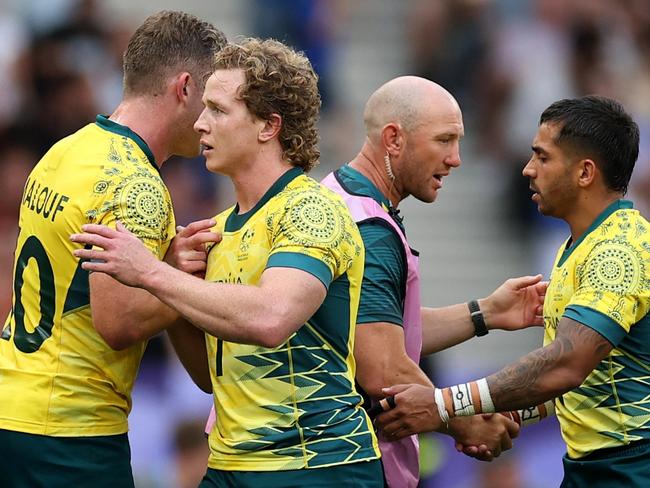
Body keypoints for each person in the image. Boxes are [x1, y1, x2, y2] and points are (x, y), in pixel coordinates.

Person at [70, 38, 384, 487]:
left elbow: (272, 318)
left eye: (218, 110)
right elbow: (209, 376)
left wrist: (151, 272)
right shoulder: (215, 230)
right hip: (229, 466)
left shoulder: (312, 210)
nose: (199, 123)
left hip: (317, 466)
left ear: (268, 126)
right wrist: (174, 284)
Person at [0, 11, 226, 488]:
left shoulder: (65, 150)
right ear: (184, 88)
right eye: (209, 101)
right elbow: (118, 321)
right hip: (69, 429)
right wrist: (177, 277)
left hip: (13, 400)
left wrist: (160, 268)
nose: (209, 120)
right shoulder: (136, 184)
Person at [376, 95, 649, 487]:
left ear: (585, 172)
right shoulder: (580, 245)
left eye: (542, 157)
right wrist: (512, 412)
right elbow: (592, 379)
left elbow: (566, 364)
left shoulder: (617, 253)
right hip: (597, 468)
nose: (527, 170)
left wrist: (443, 404)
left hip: (632, 466)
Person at [319, 76, 548, 487]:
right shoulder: (370, 228)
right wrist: (462, 422)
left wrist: (487, 313)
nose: (456, 158)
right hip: (345, 459)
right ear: (394, 139)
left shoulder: (338, 195)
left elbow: (379, 327)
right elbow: (383, 365)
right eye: (444, 140)